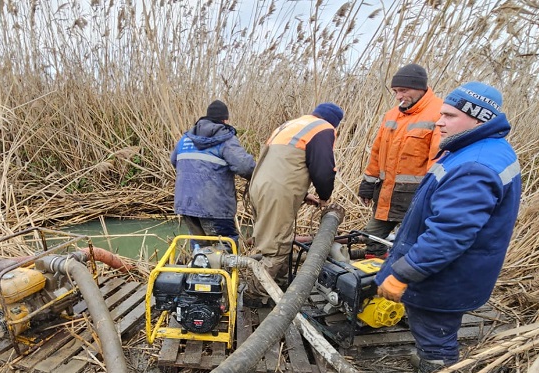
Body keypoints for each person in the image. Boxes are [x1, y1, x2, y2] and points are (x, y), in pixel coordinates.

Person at [375, 82, 522, 373]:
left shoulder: (474, 165)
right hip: (460, 269)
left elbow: (448, 234)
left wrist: (404, 273)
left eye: (449, 115)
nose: (439, 121)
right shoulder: (478, 150)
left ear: (478, 119)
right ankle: (434, 362)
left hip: (445, 275)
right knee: (435, 325)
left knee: (434, 327)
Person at [248, 102, 344, 291]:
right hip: (277, 192)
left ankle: (277, 285)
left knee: (273, 240)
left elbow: (283, 164)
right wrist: (325, 195)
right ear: (334, 122)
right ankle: (255, 294)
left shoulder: (292, 125)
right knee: (276, 248)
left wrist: (303, 194)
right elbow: (324, 168)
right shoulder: (323, 128)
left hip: (259, 187)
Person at [358, 64, 443, 258]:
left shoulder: (439, 114)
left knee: (412, 246)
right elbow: (377, 152)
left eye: (403, 90)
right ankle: (375, 281)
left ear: (421, 88)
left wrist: (432, 196)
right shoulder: (391, 115)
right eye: (396, 91)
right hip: (386, 195)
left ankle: (402, 282)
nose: (398, 96)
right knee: (371, 238)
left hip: (417, 200)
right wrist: (368, 183)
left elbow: (438, 161)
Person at [171, 100, 255, 250]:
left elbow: (174, 160)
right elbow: (245, 167)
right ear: (224, 120)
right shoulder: (226, 139)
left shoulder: (185, 139)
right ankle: (222, 273)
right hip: (215, 206)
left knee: (200, 247)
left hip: (186, 204)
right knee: (224, 247)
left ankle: (199, 272)